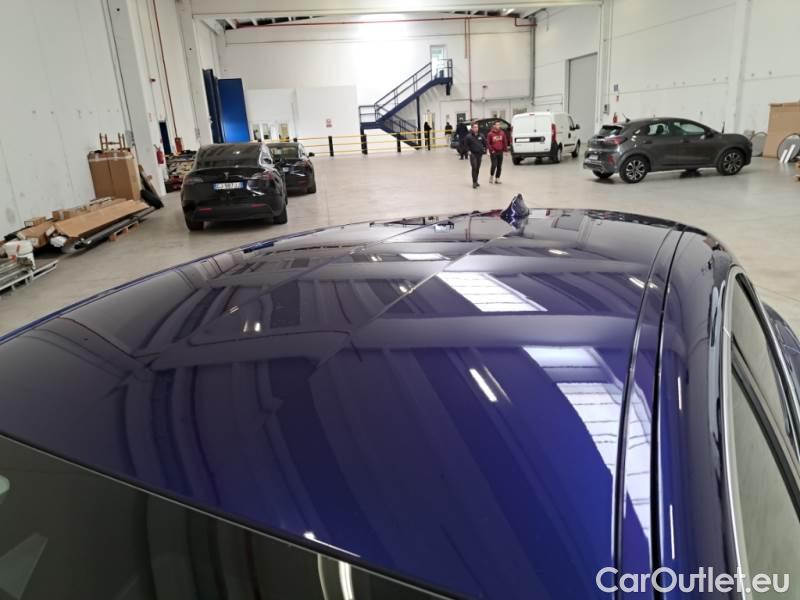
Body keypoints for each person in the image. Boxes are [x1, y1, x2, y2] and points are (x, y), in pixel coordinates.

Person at [463, 122, 487, 189]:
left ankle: (476, 181)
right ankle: (474, 182)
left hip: (479, 154)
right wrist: (468, 151)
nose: (476, 128)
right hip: (472, 154)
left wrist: (485, 149)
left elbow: (485, 143)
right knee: (474, 167)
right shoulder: (468, 136)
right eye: (475, 127)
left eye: (477, 127)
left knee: (477, 168)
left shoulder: (481, 135)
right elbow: (466, 145)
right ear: (472, 128)